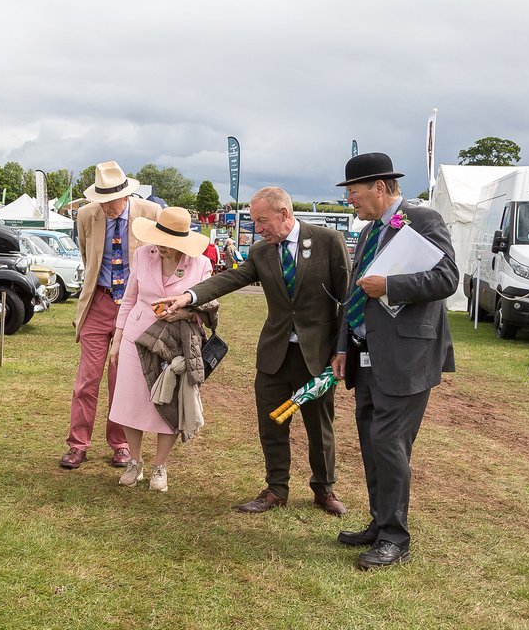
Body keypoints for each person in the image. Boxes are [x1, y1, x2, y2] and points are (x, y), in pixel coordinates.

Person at [156, 187, 351, 515]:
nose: (257, 228)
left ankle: (324, 489)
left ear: (284, 214)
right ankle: (276, 489)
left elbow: (347, 300)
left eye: (262, 221)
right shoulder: (261, 252)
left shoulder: (328, 242)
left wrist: (341, 350)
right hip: (274, 355)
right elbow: (230, 279)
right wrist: (188, 296)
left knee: (319, 425)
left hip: (317, 356)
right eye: (255, 221)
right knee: (271, 423)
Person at [332, 152, 457, 570]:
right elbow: (353, 292)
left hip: (407, 356)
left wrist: (390, 285)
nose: (351, 200)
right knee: (371, 440)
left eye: (354, 192)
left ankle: (395, 538)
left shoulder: (422, 220)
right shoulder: (369, 231)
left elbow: (447, 278)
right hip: (366, 355)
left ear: (380, 188)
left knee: (389, 443)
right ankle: (379, 522)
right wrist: (343, 347)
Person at [59, 161, 160, 470]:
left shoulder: (150, 214)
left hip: (131, 309)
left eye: (111, 201)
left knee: (121, 381)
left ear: (125, 195)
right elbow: (88, 258)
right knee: (86, 381)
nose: (106, 207)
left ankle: (120, 444)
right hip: (98, 304)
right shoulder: (87, 215)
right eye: (100, 200)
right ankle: (78, 445)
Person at [109, 207, 213, 490]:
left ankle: (160, 467)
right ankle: (135, 462)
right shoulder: (143, 254)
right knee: (130, 402)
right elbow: (129, 299)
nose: (160, 248)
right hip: (136, 336)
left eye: (168, 244)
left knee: (168, 402)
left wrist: (185, 314)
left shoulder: (202, 265)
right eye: (158, 241)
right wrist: (117, 339)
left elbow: (208, 309)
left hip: (174, 342)